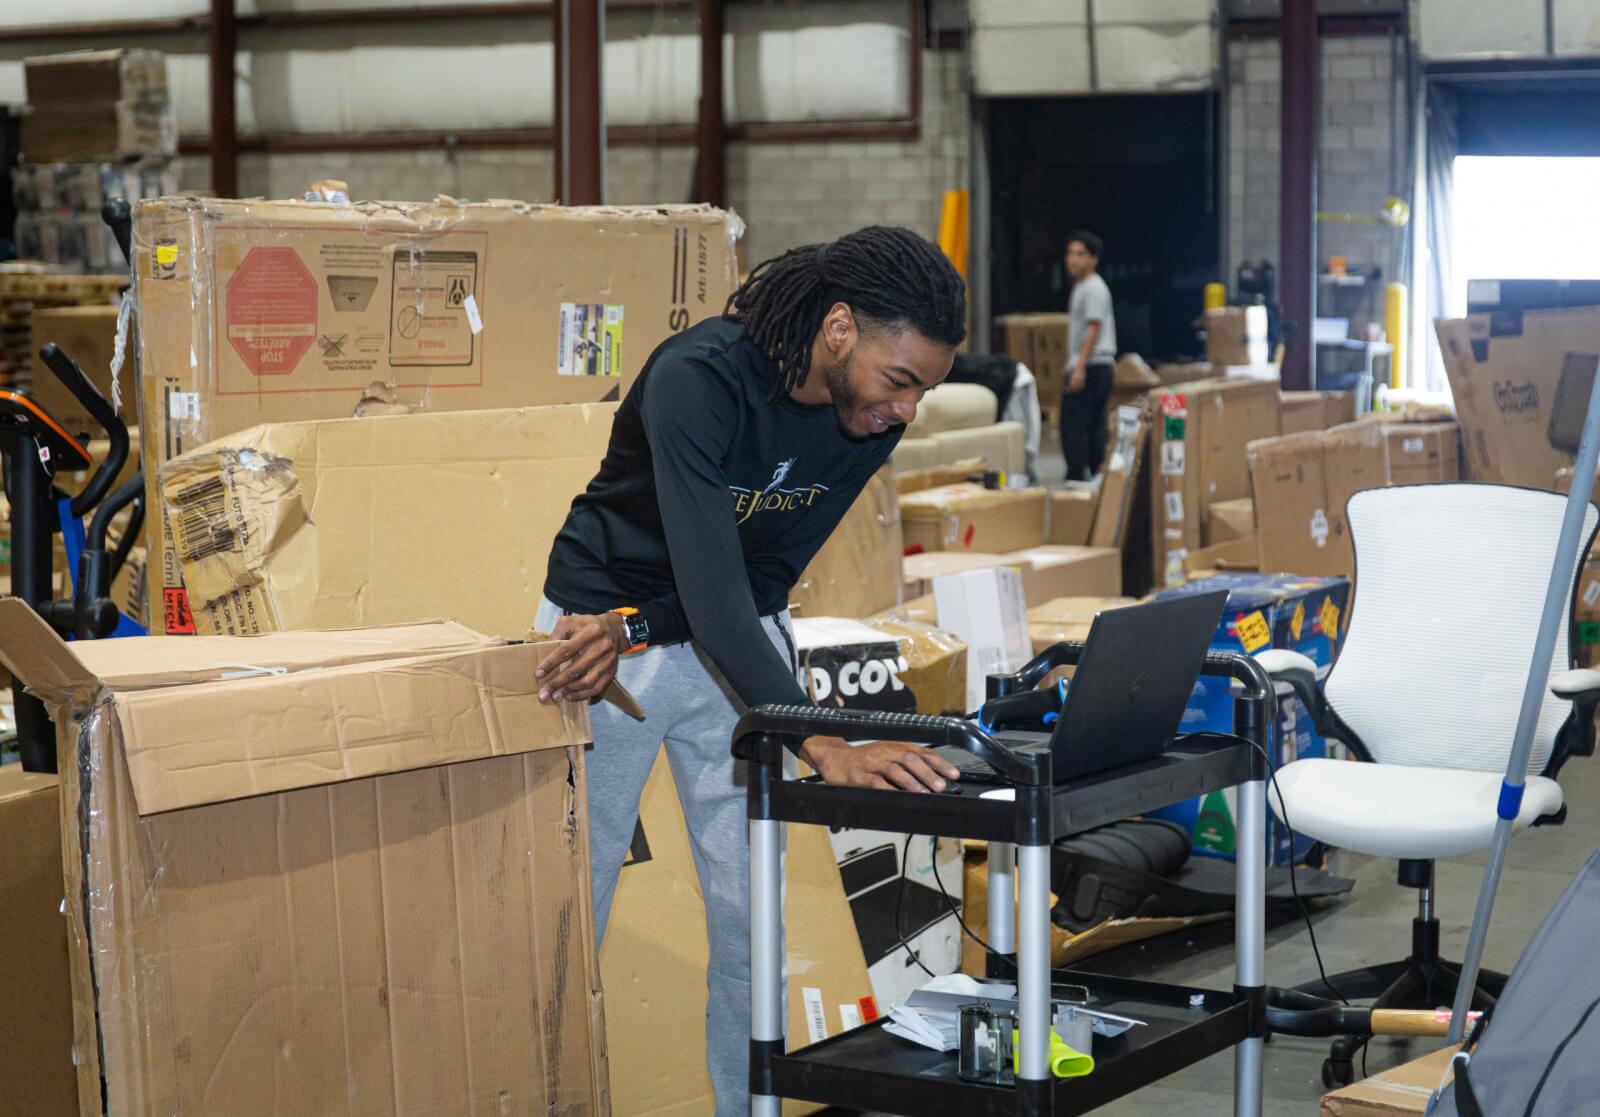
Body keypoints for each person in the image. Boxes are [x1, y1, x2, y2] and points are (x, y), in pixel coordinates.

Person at [533, 226, 969, 1116]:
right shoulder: (699, 378)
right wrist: (817, 733)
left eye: (927, 387)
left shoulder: (867, 422)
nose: (908, 411)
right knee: (573, 911)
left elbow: (759, 581)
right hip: (596, 644)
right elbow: (710, 578)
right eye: (903, 380)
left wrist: (643, 625)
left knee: (749, 917)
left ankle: (749, 1108)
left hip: (704, 640)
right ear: (841, 329)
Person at [1060, 230, 1118, 481]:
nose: (1073, 259)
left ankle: (1078, 478)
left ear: (1094, 259)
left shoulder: (1093, 288)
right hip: (1095, 365)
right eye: (1070, 253)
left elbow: (1094, 328)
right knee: (1094, 425)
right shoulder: (1082, 287)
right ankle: (1095, 478)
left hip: (1093, 365)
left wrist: (1079, 367)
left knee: (1073, 424)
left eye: (1080, 254)